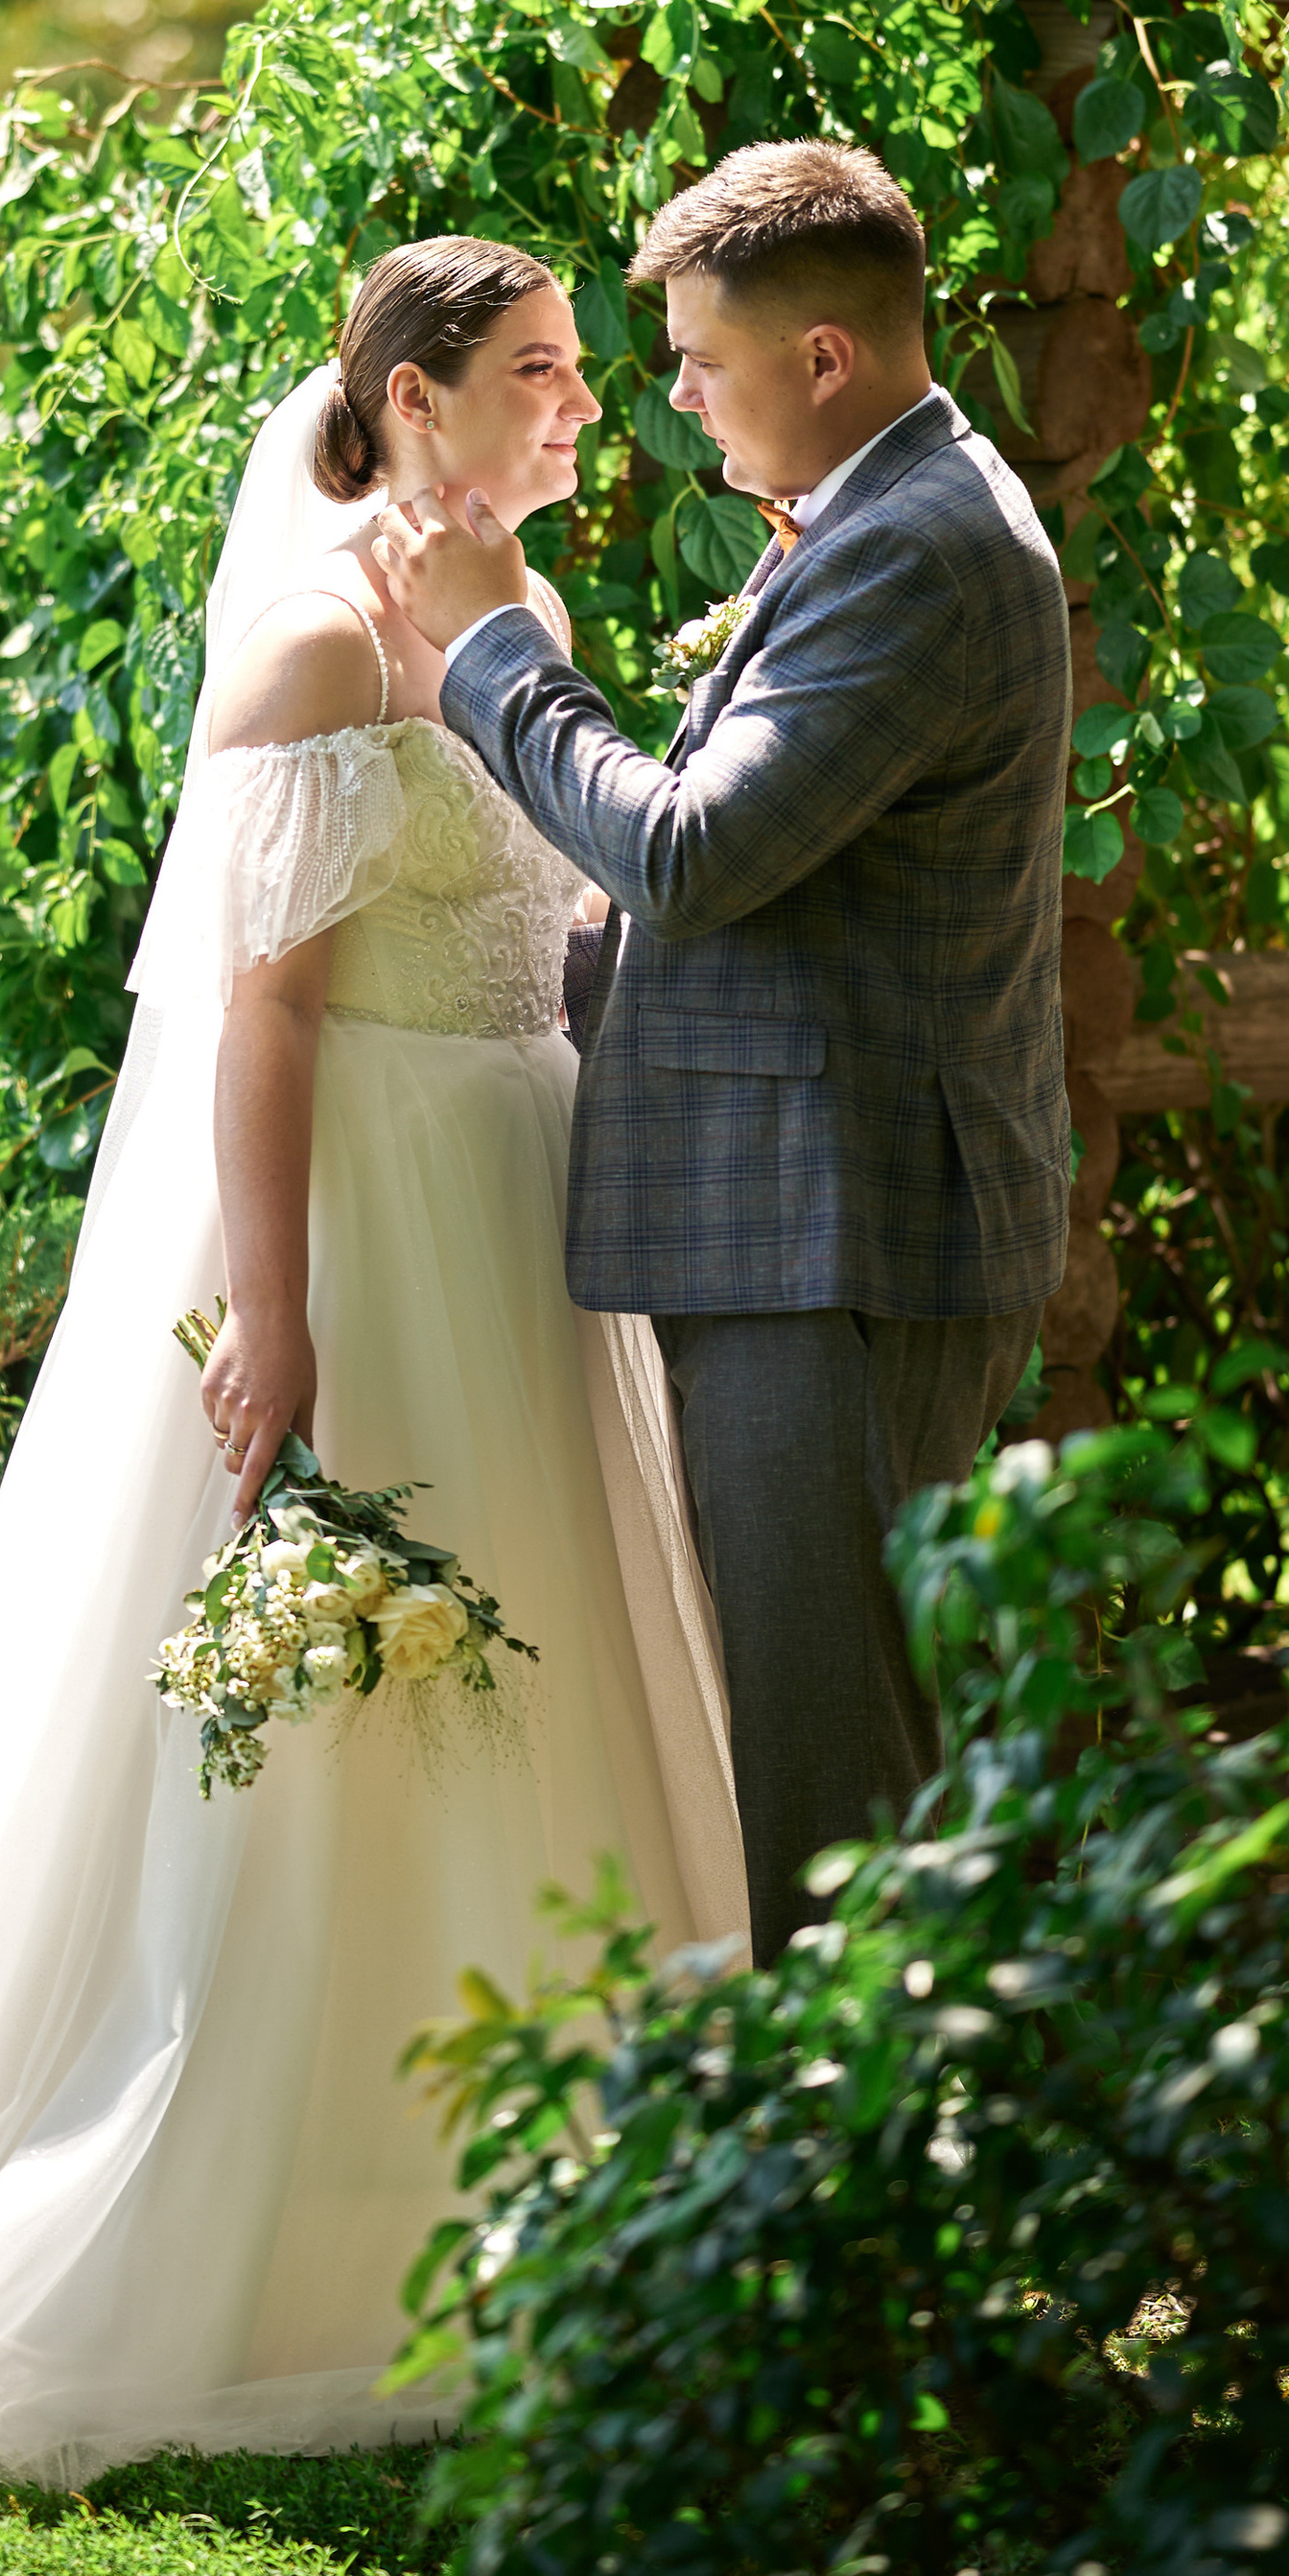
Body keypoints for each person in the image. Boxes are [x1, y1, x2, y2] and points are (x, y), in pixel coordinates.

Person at [0, 238, 745, 2488]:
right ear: (409, 399)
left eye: (588, 374)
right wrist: (285, 1310)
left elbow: (558, 918)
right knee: (329, 1715)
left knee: (550, 1671)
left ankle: (542, 2188)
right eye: (536, 373)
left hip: (522, 1212)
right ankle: (235, 2194)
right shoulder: (311, 642)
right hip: (370, 1213)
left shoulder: (532, 626)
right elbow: (261, 1007)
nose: (582, 408)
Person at [374, 142, 1072, 1966]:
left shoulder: (920, 546)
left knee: (838, 1773)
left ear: (822, 358)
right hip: (813, 1214)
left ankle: (868, 2218)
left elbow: (692, 844)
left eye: (696, 355)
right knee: (832, 1736)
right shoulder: (891, 514)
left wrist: (492, 653)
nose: (669, 395)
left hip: (836, 1232)